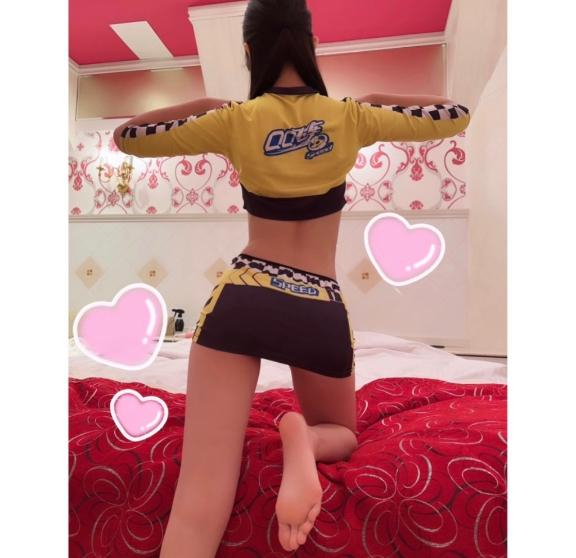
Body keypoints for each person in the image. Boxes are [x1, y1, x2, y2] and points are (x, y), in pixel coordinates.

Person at [114, 1, 470, 555]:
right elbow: (455, 115)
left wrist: (207, 105)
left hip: (246, 292)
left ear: (249, 51)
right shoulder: (352, 117)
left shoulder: (235, 119)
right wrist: (374, 101)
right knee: (343, 433)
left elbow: (129, 137)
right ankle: (303, 437)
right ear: (312, 45)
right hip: (318, 302)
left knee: (200, 495)